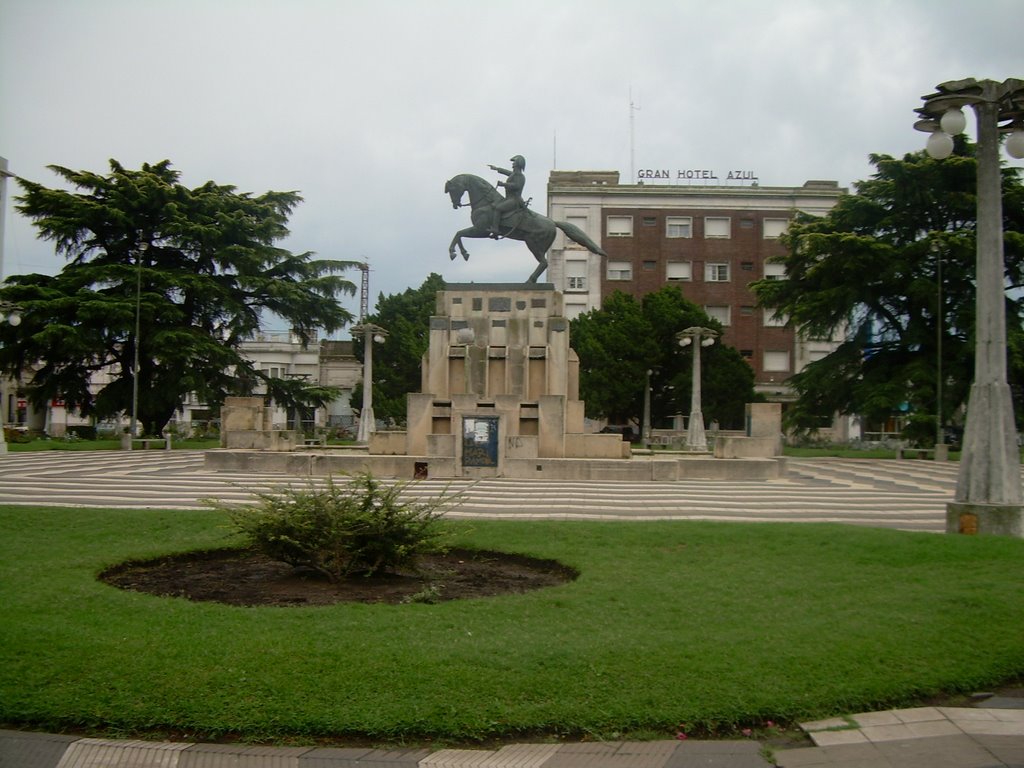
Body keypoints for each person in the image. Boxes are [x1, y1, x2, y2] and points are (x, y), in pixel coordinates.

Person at [487, 155, 526, 238]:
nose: (513, 164)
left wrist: (503, 184)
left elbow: (516, 186)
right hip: (509, 198)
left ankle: (495, 230)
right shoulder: (514, 174)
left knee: (498, 208)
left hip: (514, 200)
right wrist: (496, 168)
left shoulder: (519, 176)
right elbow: (506, 172)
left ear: (518, 164)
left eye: (514, 162)